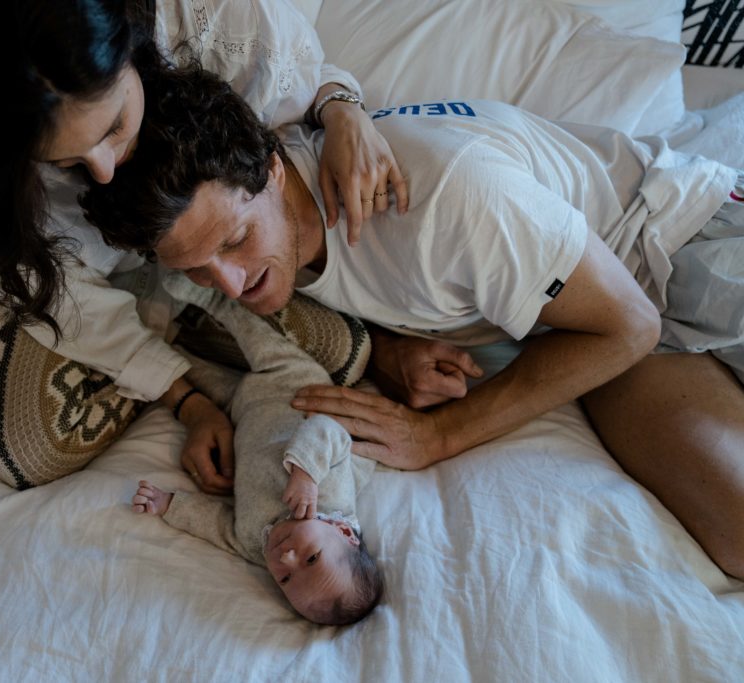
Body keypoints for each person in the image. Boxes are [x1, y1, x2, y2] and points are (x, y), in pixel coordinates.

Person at [80, 64, 744, 578]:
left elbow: (629, 323)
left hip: (680, 242)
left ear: (273, 170)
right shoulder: (276, 237)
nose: (230, 284)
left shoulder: (447, 198)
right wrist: (393, 348)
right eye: (197, 269)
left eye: (234, 241)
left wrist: (439, 435)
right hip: (596, 331)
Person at [0, 0, 428, 495]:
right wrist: (185, 399)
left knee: (342, 355)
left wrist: (341, 108)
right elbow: (62, 290)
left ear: (130, 41)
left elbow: (289, 115)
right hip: (108, 284)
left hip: (191, 266)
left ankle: (252, 317)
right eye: (65, 161)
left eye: (114, 125)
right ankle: (188, 337)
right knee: (29, 448)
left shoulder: (219, 22)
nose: (104, 170)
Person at [131, 272, 382, 625]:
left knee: (187, 371)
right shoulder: (332, 498)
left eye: (286, 579)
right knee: (260, 340)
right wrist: (306, 473)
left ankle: (156, 339)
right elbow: (328, 430)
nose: (286, 557)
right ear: (343, 532)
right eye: (311, 558)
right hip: (290, 387)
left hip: (241, 414)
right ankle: (214, 300)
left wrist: (168, 504)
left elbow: (219, 526)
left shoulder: (256, 546)